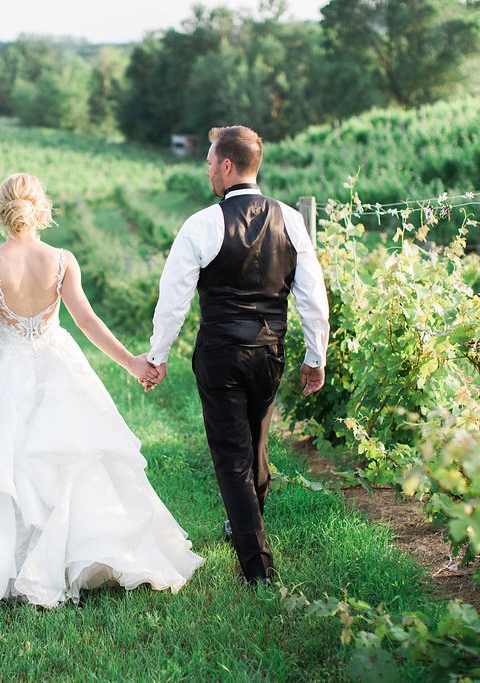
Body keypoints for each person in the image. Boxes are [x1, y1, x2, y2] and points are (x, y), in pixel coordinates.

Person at [0, 173, 204, 612]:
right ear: (42, 209)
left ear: (1, 211)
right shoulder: (61, 260)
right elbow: (86, 320)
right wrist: (133, 362)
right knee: (67, 462)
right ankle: (67, 554)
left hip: (3, 365)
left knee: (0, 464)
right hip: (53, 362)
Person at [140, 125, 329, 585]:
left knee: (232, 454)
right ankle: (243, 528)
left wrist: (157, 354)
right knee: (255, 444)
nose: (207, 171)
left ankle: (258, 568)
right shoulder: (291, 219)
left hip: (221, 352)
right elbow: (313, 297)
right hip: (270, 350)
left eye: (209, 162)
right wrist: (315, 356)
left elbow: (173, 299)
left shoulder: (202, 224)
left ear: (227, 166)